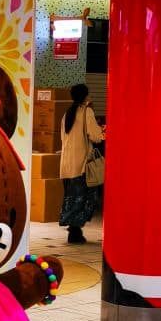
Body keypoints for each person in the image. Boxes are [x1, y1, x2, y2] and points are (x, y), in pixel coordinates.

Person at [59, 83, 105, 244]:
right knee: (84, 198)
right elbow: (96, 136)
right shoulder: (87, 111)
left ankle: (74, 230)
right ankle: (75, 232)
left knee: (71, 197)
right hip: (82, 164)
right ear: (86, 96)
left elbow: (63, 138)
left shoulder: (67, 113)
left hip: (67, 164)